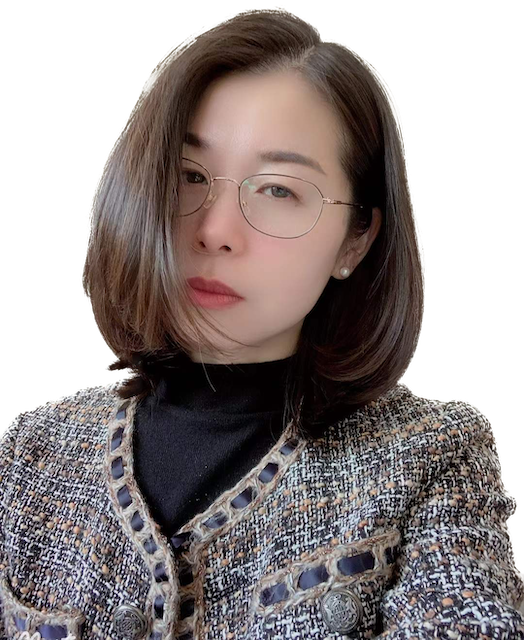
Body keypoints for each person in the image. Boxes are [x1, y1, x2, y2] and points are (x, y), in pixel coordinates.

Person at [1, 8, 522, 640]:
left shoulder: (433, 455)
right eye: (189, 176)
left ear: (355, 240)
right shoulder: (29, 455)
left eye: (277, 189)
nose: (215, 231)